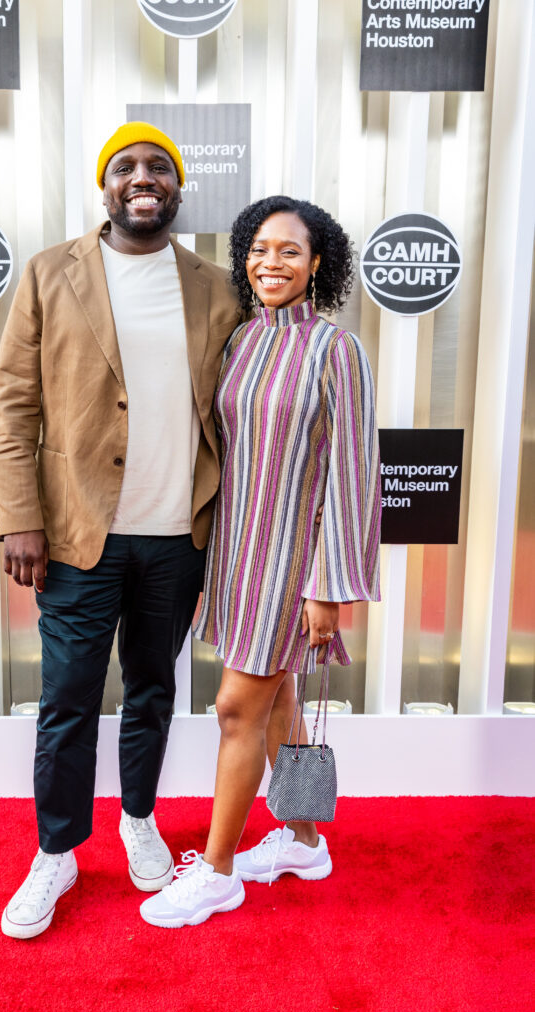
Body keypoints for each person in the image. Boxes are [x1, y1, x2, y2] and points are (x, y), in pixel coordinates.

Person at [0, 122, 240, 939]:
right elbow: (13, 403)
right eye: (125, 166)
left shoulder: (218, 286)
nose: (143, 177)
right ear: (105, 186)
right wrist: (20, 514)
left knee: (153, 690)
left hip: (177, 537)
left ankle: (138, 819)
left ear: (176, 188)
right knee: (65, 699)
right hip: (76, 533)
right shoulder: (48, 273)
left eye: (158, 166)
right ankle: (56, 851)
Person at [140, 195, 381, 928]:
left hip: (293, 563)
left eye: (289, 251)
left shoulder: (336, 349)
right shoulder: (242, 341)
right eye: (259, 249)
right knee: (276, 703)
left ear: (318, 265)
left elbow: (352, 471)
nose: (270, 263)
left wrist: (326, 586)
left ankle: (214, 872)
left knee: (234, 709)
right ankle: (304, 841)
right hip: (239, 554)